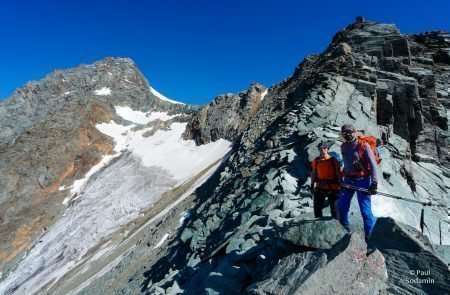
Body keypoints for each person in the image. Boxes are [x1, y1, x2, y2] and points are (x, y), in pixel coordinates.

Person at [338, 124, 378, 240]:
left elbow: (373, 165)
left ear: (354, 132)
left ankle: (369, 235)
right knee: (342, 206)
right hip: (348, 180)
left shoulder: (363, 145)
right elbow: (347, 165)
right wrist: (341, 177)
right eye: (345, 132)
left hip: (363, 180)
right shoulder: (343, 146)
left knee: (365, 210)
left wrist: (374, 183)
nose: (347, 134)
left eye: (350, 132)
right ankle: (344, 229)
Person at [310, 141, 342, 219]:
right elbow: (314, 173)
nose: (323, 150)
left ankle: (336, 224)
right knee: (317, 206)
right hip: (320, 186)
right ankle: (318, 223)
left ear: (327, 149)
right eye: (321, 148)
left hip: (333, 187)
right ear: (318, 149)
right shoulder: (316, 160)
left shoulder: (333, 160)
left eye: (324, 148)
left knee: (334, 209)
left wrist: (341, 184)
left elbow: (338, 173)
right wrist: (311, 185)